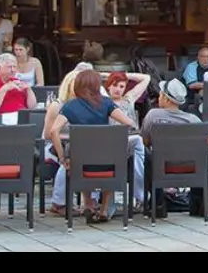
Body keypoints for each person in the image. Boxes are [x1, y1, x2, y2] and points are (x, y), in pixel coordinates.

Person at [46, 70, 142, 221]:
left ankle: (89, 204)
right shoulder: (106, 103)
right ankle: (103, 210)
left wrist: (62, 157)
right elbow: (129, 123)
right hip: (108, 162)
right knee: (112, 157)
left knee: (80, 157)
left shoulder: (70, 106)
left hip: (81, 164)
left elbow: (53, 131)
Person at [141, 78, 208, 148]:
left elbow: (145, 142)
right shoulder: (193, 120)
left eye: (160, 95)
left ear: (166, 99)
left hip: (160, 160)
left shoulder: (153, 115)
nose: (158, 98)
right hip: (189, 160)